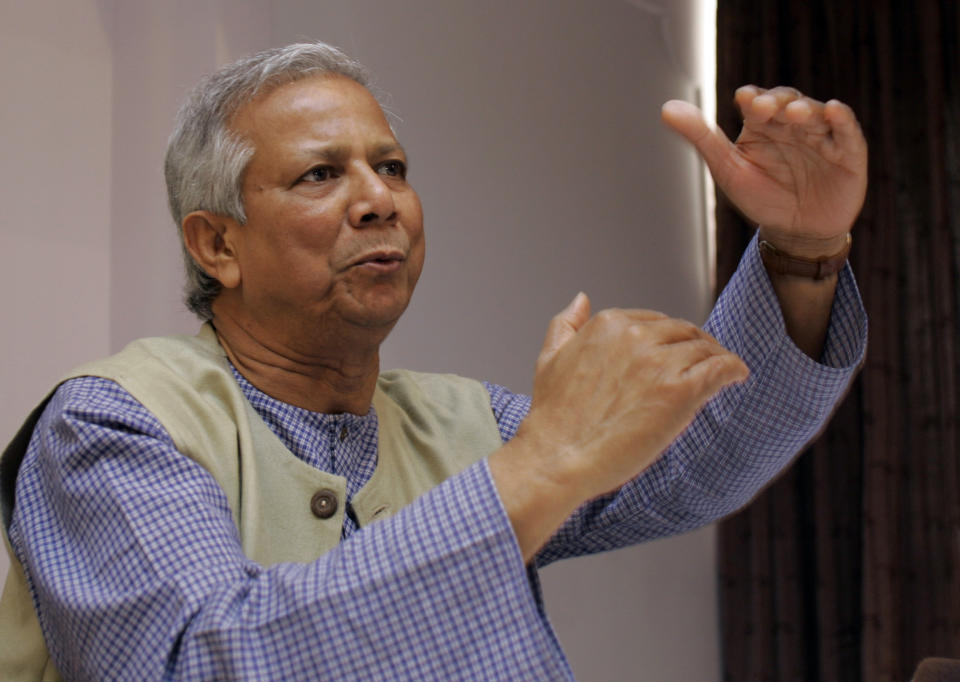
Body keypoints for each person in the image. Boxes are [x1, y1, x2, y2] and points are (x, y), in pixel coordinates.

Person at [0, 42, 867, 680]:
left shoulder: (463, 420)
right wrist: (543, 466)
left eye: (392, 167)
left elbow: (696, 460)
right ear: (217, 244)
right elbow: (201, 664)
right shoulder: (110, 426)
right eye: (319, 176)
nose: (380, 200)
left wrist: (804, 250)